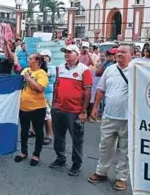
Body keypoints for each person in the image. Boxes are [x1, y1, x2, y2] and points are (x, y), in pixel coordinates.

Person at [88, 45, 133, 191]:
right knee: (105, 146)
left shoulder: (136, 70)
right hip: (109, 115)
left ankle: (121, 177)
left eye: (123, 52)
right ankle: (101, 172)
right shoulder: (110, 69)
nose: (119, 54)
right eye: (118, 52)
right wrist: (95, 107)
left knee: (125, 150)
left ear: (131, 55)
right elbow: (101, 89)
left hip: (128, 118)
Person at [49, 45, 92, 177]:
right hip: (59, 108)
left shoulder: (84, 70)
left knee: (77, 139)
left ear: (77, 54)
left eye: (69, 52)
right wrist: (54, 104)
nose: (66, 54)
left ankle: (76, 164)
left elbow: (88, 91)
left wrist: (84, 111)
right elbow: (57, 85)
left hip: (75, 111)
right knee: (58, 136)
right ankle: (60, 157)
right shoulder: (60, 67)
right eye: (65, 52)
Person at [15, 53, 48, 166]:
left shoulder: (42, 73)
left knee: (38, 131)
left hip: (38, 108)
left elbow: (40, 88)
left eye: (30, 58)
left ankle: (36, 154)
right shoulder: (25, 70)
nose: (28, 60)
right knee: (24, 130)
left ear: (37, 61)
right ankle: (23, 152)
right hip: (24, 107)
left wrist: (29, 79)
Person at [40, 49, 55, 145]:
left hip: (47, 94)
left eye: (44, 56)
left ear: (48, 57)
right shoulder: (39, 66)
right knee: (36, 113)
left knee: (47, 115)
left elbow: (47, 74)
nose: (42, 58)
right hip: (38, 92)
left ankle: (48, 135)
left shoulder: (52, 67)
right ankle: (33, 131)